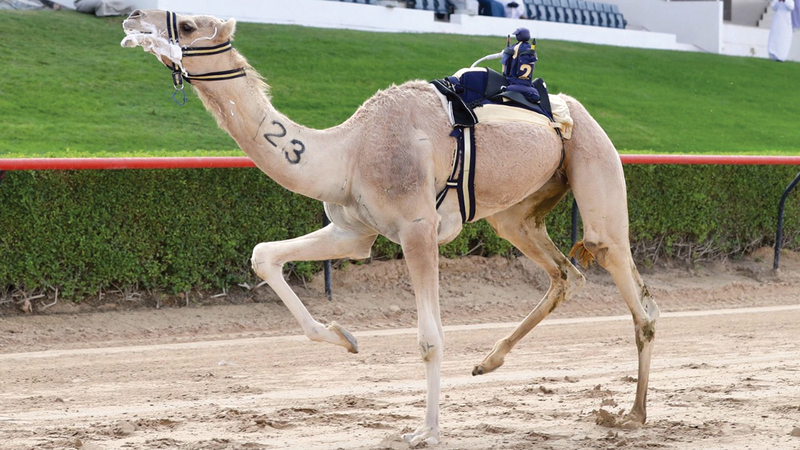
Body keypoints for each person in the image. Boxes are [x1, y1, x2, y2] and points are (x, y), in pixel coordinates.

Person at [500, 27, 540, 103]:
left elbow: (506, 58)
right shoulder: (531, 49)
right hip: (528, 83)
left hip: (514, 82)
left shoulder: (516, 47)